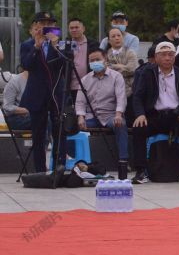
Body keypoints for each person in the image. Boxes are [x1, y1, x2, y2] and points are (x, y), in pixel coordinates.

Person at [131, 41, 179, 185]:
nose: (167, 58)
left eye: (170, 55)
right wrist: (140, 114)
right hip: (154, 116)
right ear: (156, 57)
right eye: (163, 55)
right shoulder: (146, 73)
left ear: (175, 56)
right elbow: (137, 96)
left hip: (176, 115)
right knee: (138, 128)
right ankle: (141, 171)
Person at [20, 12, 66, 172]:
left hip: (55, 94)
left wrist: (56, 46)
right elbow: (26, 65)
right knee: (39, 135)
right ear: (36, 26)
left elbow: (64, 65)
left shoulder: (59, 44)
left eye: (50, 24)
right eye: (43, 23)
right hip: (37, 94)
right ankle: (40, 169)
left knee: (59, 131)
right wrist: (36, 47)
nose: (47, 27)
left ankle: (59, 166)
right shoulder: (27, 45)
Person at [76, 48, 129, 172]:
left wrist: (118, 114)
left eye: (97, 59)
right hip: (92, 116)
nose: (95, 62)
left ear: (105, 60)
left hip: (111, 115)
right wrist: (80, 117)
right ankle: (79, 163)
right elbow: (80, 101)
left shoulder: (116, 76)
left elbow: (121, 97)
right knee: (72, 127)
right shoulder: (85, 79)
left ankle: (123, 162)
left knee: (121, 125)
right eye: (92, 60)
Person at [66, 18, 100, 99]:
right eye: (71, 28)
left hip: (90, 85)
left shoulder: (93, 44)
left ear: (83, 29)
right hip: (71, 87)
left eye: (77, 27)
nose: (74, 30)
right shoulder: (66, 45)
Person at [105, 27, 139, 107]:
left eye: (119, 35)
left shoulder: (130, 52)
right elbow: (105, 72)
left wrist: (112, 66)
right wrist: (121, 66)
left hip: (129, 91)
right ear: (109, 41)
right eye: (113, 36)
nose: (117, 38)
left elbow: (132, 70)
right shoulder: (105, 55)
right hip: (111, 93)